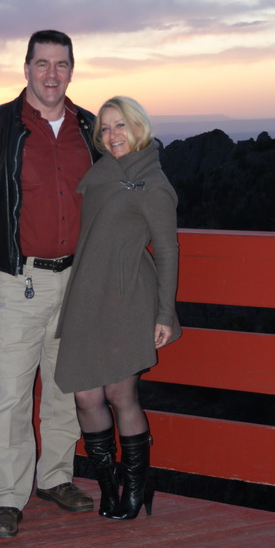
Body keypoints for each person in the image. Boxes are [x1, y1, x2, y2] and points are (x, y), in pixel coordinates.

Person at [0, 29, 99, 538]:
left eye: (61, 64)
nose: (52, 74)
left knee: (66, 387)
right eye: (42, 64)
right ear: (26, 68)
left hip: (77, 280)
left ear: (72, 70)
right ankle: (8, 497)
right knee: (11, 392)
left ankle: (56, 478)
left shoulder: (90, 129)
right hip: (15, 281)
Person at [54, 96, 181, 521]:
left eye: (120, 126)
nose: (112, 136)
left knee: (120, 394)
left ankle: (135, 485)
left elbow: (166, 250)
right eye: (105, 129)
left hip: (128, 296)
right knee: (86, 394)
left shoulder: (154, 182)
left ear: (138, 127)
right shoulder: (102, 173)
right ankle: (109, 485)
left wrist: (165, 313)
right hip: (89, 295)